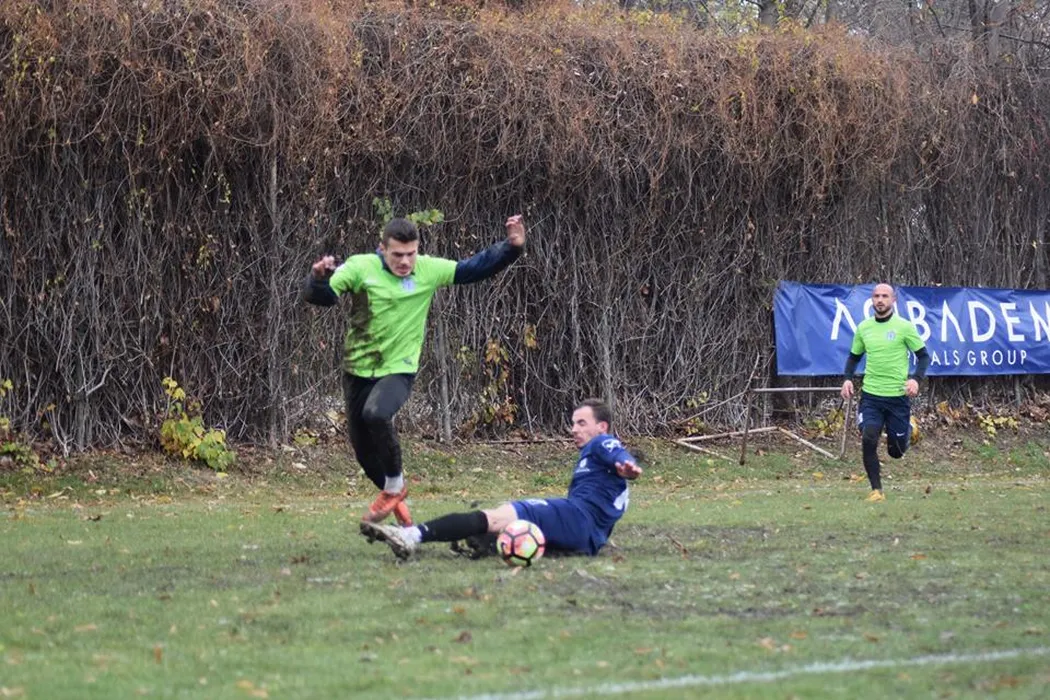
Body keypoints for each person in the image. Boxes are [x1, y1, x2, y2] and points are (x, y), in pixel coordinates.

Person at [304, 214, 526, 526]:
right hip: (357, 370)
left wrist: (512, 248)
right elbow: (323, 298)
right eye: (397, 254)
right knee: (365, 455)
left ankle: (395, 488)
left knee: (377, 414)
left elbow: (472, 269)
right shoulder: (360, 267)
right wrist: (317, 279)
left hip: (399, 369)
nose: (406, 262)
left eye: (411, 254)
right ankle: (400, 510)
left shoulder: (428, 269)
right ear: (382, 249)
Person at [360, 398, 643, 560]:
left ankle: (411, 535)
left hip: (577, 517)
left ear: (601, 426)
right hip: (588, 539)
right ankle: (487, 542)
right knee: (500, 528)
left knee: (496, 516)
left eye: (581, 423)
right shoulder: (595, 458)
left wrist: (627, 465)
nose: (573, 429)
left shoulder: (601, 442)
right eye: (573, 423)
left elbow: (617, 453)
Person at [840, 283, 930, 502]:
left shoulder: (904, 327)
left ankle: (909, 427)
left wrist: (915, 379)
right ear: (872, 300)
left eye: (885, 296)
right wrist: (847, 379)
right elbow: (853, 357)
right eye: (876, 296)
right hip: (871, 396)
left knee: (896, 452)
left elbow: (923, 356)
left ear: (893, 300)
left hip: (897, 397)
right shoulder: (864, 327)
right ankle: (876, 490)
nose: (880, 300)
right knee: (869, 437)